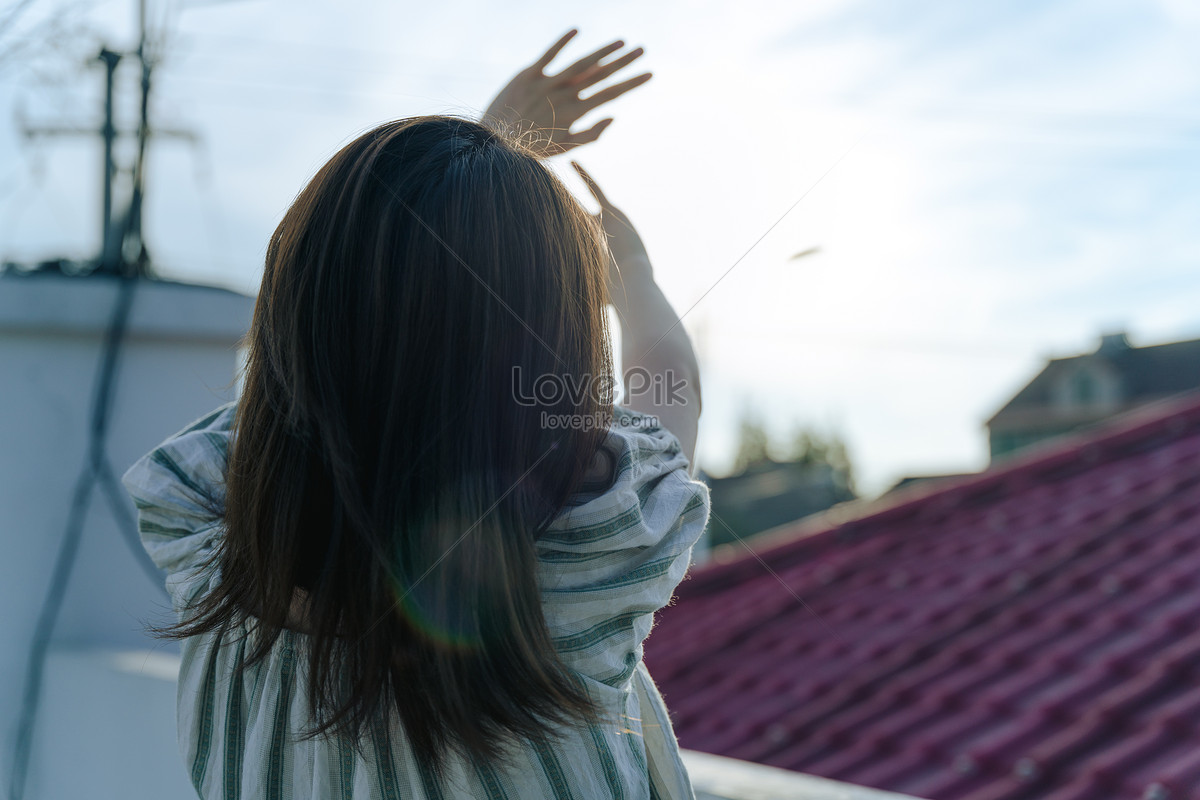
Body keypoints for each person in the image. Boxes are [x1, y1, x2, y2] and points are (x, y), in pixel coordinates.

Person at [121, 29, 708, 800]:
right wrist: (629, 269)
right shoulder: (589, 563)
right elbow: (668, 386)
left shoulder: (204, 539)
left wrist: (484, 154)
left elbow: (330, 363)